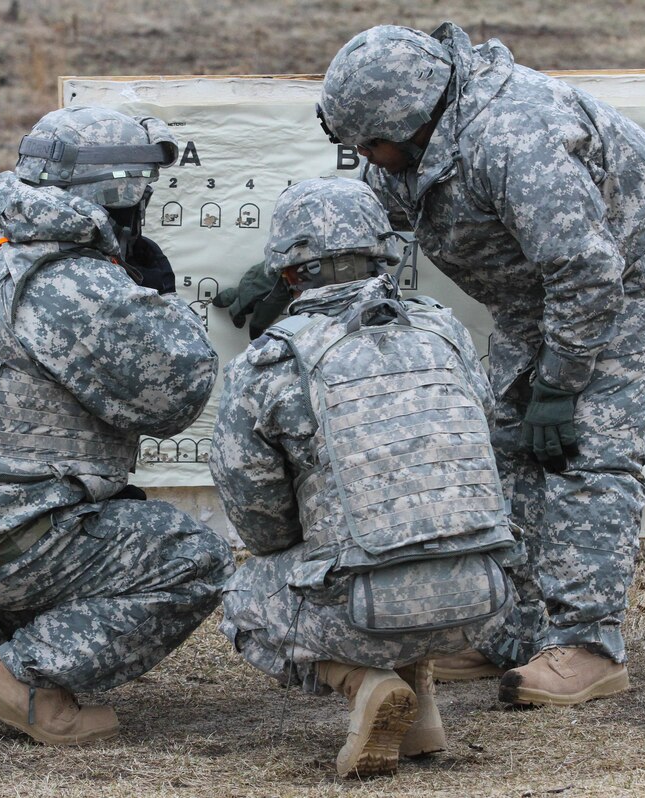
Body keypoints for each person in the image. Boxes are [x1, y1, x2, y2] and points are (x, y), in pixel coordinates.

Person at [317, 23, 645, 707]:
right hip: (540, 292)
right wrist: (315, 265)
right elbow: (382, 213)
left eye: (369, 143)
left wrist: (560, 383)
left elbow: (589, 270)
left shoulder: (511, 136)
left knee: (586, 450)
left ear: (412, 120)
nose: (365, 157)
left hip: (632, 274)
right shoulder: (414, 145)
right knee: (507, 445)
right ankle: (511, 630)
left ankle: (589, 646)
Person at [0, 106, 235, 744]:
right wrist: (156, 301)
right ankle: (27, 678)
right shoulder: (69, 279)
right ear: (118, 189)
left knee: (49, 515)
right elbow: (175, 400)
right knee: (193, 558)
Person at [210, 177, 520, 778]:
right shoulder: (447, 332)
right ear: (386, 255)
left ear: (288, 272)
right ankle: (422, 711)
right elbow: (485, 440)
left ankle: (366, 684)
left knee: (245, 601)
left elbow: (261, 518)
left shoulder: (269, 362)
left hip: (363, 606)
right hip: (484, 599)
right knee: (406, 536)